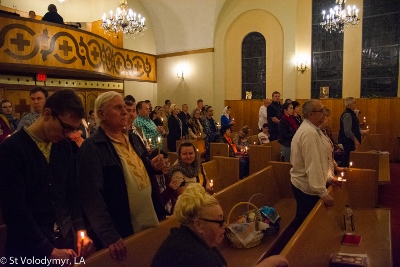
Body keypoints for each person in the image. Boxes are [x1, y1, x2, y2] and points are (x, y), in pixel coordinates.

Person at [0, 89, 93, 263]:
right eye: (65, 128)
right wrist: (48, 249)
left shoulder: (63, 146)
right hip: (27, 248)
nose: (67, 134)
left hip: (62, 241)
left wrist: (81, 230)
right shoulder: (11, 149)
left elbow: (71, 190)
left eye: (72, 130)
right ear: (47, 114)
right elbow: (14, 209)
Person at [76, 92, 167, 260]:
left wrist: (153, 166)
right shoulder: (93, 147)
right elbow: (91, 198)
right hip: (123, 227)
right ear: (102, 114)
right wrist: (108, 234)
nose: (125, 112)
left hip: (148, 218)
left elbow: (142, 166)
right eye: (118, 108)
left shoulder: (132, 138)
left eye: (125, 108)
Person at [151, 183, 290, 267]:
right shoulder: (193, 256)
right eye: (219, 221)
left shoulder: (189, 236)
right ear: (199, 225)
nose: (225, 225)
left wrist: (269, 263)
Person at [290, 99, 341, 229]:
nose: (324, 113)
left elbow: (322, 158)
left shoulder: (314, 130)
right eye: (321, 111)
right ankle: (292, 248)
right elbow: (313, 165)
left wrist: (329, 178)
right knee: (305, 223)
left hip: (308, 184)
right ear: (311, 114)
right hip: (306, 186)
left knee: (305, 221)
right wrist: (322, 192)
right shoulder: (309, 133)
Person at [338, 97, 369, 167]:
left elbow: (352, 127)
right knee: (347, 160)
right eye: (354, 103)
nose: (356, 104)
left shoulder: (352, 114)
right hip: (348, 142)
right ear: (349, 105)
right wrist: (355, 140)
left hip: (350, 141)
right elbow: (347, 130)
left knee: (350, 159)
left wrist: (360, 125)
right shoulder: (347, 115)